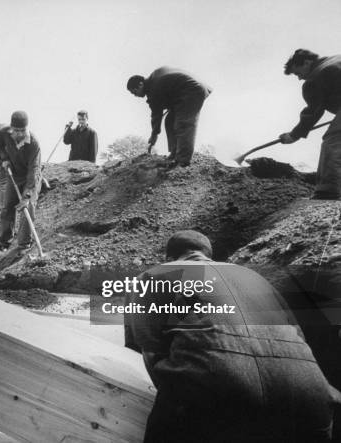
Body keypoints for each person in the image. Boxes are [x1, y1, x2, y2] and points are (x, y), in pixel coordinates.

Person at [124, 230, 338, 443]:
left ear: (169, 257)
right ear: (209, 254)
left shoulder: (155, 276)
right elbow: (299, 339)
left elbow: (150, 349)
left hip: (212, 389)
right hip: (308, 396)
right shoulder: (257, 278)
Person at [279, 49, 341, 200]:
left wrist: (293, 135)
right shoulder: (336, 60)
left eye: (298, 73)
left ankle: (328, 191)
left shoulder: (316, 76)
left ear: (307, 63)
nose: (300, 78)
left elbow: (313, 112)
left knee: (332, 141)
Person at [127, 67, 212, 167]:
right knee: (170, 121)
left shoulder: (153, 88)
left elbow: (156, 115)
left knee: (183, 124)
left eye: (134, 92)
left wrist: (154, 135)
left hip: (192, 91)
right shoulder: (154, 79)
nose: (135, 95)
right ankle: (175, 152)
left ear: (140, 84)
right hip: (185, 93)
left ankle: (182, 161)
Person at [0, 111, 41, 249]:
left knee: (28, 207)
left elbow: (34, 170)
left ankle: (24, 244)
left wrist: (27, 195)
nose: (20, 134)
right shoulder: (4, 133)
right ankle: (4, 240)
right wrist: (4, 158)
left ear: (27, 128)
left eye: (23, 130)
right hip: (13, 175)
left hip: (30, 177)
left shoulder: (33, 143)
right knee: (7, 206)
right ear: (11, 128)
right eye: (16, 130)